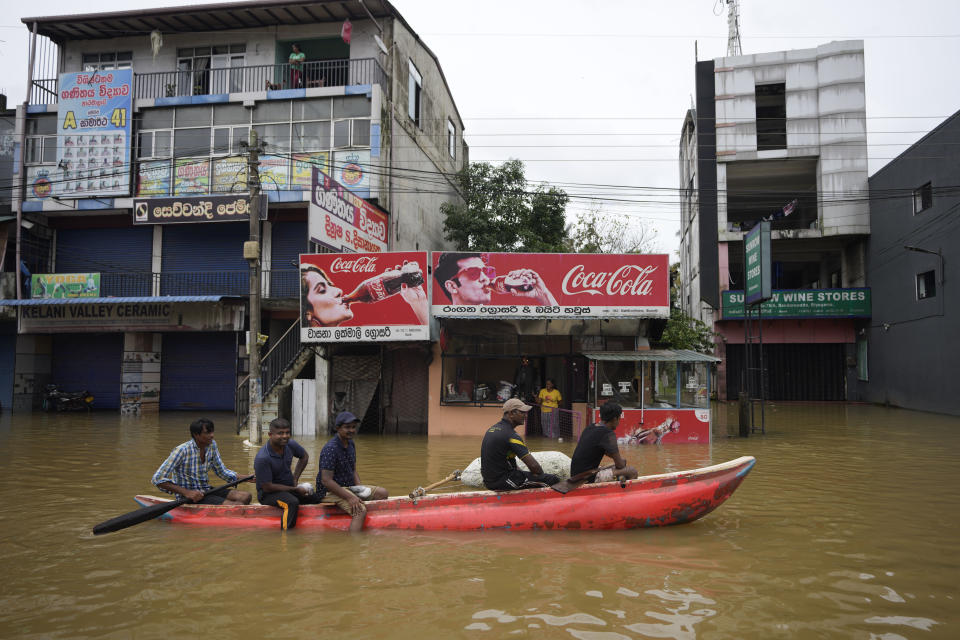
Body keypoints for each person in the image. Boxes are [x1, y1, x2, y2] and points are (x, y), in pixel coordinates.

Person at [151, 418, 252, 505]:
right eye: (207, 433)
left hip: (205, 490)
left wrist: (247, 477)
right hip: (189, 496)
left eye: (212, 432)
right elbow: (157, 478)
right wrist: (187, 492)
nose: (212, 435)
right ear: (196, 435)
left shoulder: (212, 445)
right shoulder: (181, 450)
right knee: (236, 505)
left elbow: (222, 471)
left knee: (245, 496)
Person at [317, 411, 389, 532]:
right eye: (347, 427)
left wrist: (360, 489)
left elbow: (353, 469)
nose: (351, 430)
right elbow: (326, 481)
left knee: (383, 493)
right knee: (360, 511)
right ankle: (354, 544)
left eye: (353, 427)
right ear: (337, 428)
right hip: (329, 491)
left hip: (348, 487)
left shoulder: (350, 443)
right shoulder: (330, 449)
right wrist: (350, 498)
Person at [254, 418, 321, 530]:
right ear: (270, 434)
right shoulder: (263, 457)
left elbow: (304, 456)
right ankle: (286, 535)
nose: (285, 436)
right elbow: (267, 487)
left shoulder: (290, 444)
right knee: (292, 502)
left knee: (316, 497)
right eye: (280, 433)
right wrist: (295, 489)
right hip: (268, 494)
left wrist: (295, 479)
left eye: (287, 432)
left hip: (289, 488)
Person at [481, 398, 561, 491]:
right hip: (502, 482)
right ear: (511, 414)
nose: (525, 416)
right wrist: (540, 477)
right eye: (522, 412)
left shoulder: (492, 429)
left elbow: (508, 461)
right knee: (552, 479)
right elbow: (535, 468)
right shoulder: (511, 435)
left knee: (524, 474)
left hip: (490, 481)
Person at [434, 252, 557, 306]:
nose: (485, 278)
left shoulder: (500, 320)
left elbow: (559, 329)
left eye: (487, 271)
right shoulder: (448, 329)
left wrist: (543, 294)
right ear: (452, 286)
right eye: (474, 273)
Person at [570, 402, 639, 484]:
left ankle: (618, 484)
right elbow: (620, 465)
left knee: (620, 464)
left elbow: (602, 451)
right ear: (614, 419)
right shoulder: (608, 434)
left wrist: (619, 462)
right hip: (587, 477)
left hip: (575, 474)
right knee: (632, 471)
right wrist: (621, 464)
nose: (619, 422)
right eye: (619, 419)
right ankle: (624, 494)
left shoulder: (590, 427)